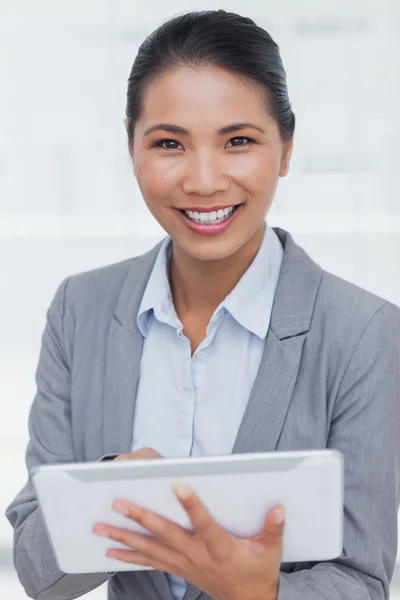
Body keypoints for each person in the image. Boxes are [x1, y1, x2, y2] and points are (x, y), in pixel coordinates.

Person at [5, 9, 400, 600]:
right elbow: (39, 572)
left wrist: (257, 595)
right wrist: (116, 490)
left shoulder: (364, 332)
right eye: (169, 143)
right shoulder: (79, 309)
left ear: (286, 149)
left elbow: (362, 580)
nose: (204, 180)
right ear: (130, 145)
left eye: (238, 141)